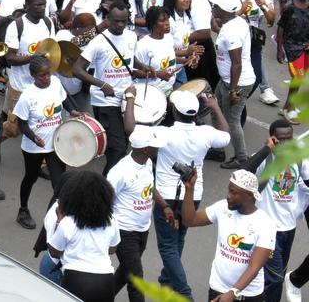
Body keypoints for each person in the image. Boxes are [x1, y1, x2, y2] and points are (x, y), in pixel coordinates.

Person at [153, 89, 231, 297]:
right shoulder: (205, 133)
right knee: (178, 240)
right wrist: (215, 107)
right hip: (192, 196)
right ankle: (167, 284)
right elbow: (225, 135)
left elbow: (132, 131)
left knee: (168, 246)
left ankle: (183, 293)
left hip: (166, 198)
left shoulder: (165, 133)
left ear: (174, 112)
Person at [181, 167, 276, 302]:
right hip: (217, 288)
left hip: (247, 295)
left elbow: (255, 267)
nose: (228, 196)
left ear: (249, 195)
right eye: (228, 190)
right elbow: (190, 220)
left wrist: (233, 292)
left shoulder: (265, 224)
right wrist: (189, 189)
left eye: (234, 192)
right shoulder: (222, 208)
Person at [241, 119, 304, 302]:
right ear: (272, 139)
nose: (285, 143)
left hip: (288, 229)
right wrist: (266, 150)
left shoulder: (298, 160)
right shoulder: (264, 159)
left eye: (289, 139)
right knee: (275, 278)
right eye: (280, 139)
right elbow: (243, 172)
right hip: (268, 230)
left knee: (275, 273)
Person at [73, 3, 139, 173]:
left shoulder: (132, 37)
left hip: (126, 99)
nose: (120, 25)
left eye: (124, 22)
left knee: (124, 144)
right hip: (105, 102)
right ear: (108, 19)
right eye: (116, 21)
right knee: (117, 149)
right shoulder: (98, 42)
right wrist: (101, 84)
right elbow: (77, 69)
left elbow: (129, 59)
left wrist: (143, 67)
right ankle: (106, 187)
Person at [108, 125, 170, 302]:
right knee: (136, 280)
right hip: (124, 232)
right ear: (145, 149)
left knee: (126, 271)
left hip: (142, 230)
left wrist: (164, 206)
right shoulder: (120, 172)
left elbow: (149, 187)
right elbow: (104, 201)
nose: (158, 148)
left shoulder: (147, 162)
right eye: (155, 145)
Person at [14, 54, 71, 231]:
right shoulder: (27, 96)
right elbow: (21, 123)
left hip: (55, 144)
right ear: (33, 76)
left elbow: (64, 99)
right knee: (30, 178)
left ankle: (60, 216)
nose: (46, 78)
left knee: (59, 182)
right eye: (42, 75)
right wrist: (34, 137)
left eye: (48, 73)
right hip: (33, 148)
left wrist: (74, 110)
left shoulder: (55, 83)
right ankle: (22, 210)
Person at [48, 170, 120, 302]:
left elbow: (53, 251)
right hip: (106, 282)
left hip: (76, 280)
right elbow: (112, 249)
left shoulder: (68, 222)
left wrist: (59, 220)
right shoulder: (112, 221)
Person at [210, 0, 258, 168]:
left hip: (236, 83)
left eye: (215, 6)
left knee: (232, 120)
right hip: (227, 80)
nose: (212, 7)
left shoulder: (232, 33)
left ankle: (241, 157)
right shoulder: (235, 21)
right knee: (215, 109)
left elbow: (236, 63)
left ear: (222, 10)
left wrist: (232, 91)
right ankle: (218, 148)